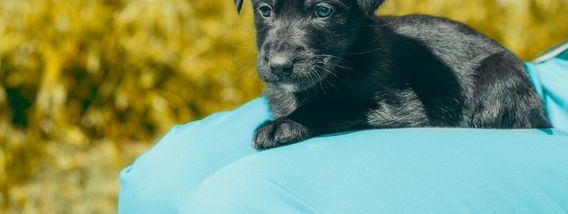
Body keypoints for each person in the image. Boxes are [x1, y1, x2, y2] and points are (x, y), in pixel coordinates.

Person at [118, 42, 568, 213]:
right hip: (550, 71)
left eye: (322, 9)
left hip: (499, 111)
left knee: (246, 202)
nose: (279, 45)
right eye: (266, 10)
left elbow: (401, 109)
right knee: (160, 177)